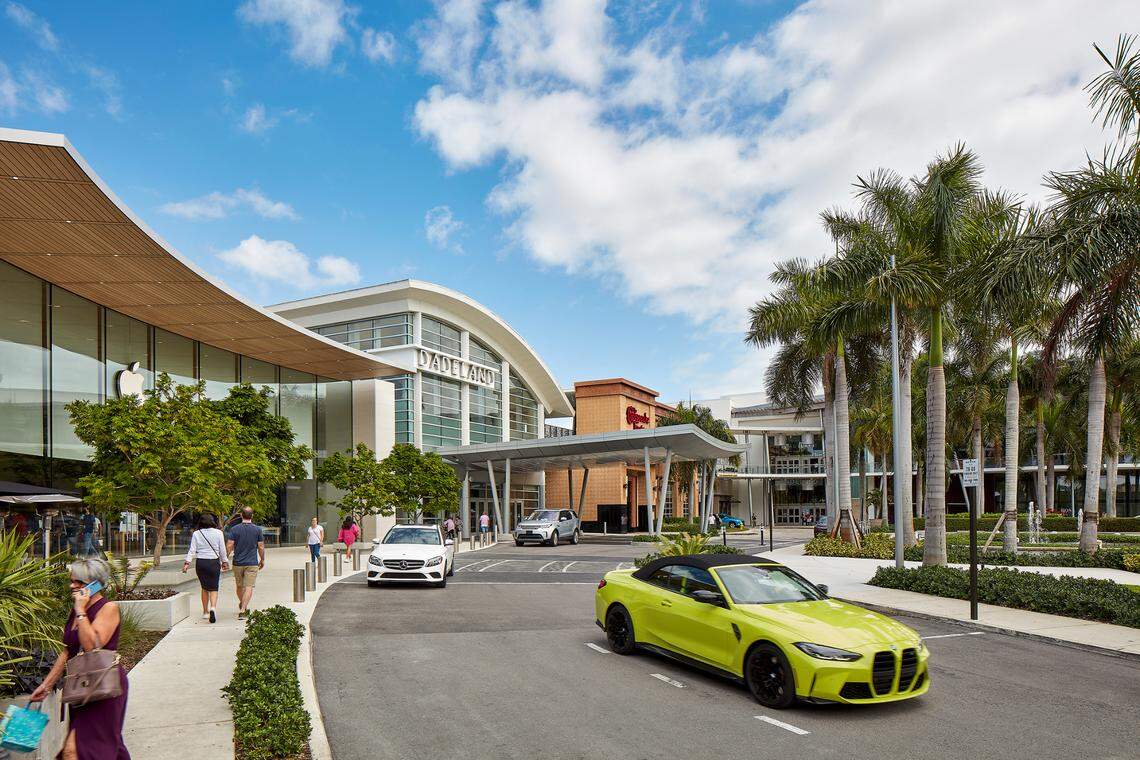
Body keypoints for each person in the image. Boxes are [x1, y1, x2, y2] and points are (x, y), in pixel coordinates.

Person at [30, 557, 131, 760]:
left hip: (104, 687)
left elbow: (92, 646)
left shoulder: (108, 608)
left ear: (96, 584)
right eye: (72, 581)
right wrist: (47, 685)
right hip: (82, 687)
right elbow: (68, 651)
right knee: (105, 745)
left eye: (79, 582)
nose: (72, 586)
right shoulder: (77, 610)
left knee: (76, 750)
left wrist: (80, 611)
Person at [181, 514, 229, 624]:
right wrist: (224, 561)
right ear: (212, 522)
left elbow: (192, 550)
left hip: (201, 563)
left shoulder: (196, 534)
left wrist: (187, 563)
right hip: (213, 562)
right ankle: (213, 607)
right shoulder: (218, 533)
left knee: (204, 588)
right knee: (214, 587)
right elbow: (222, 549)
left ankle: (205, 612)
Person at [225, 507, 264, 620]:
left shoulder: (234, 529)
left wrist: (225, 559)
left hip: (237, 562)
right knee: (248, 586)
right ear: (252, 516)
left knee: (239, 586)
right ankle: (243, 609)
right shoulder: (257, 530)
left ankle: (243, 605)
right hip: (252, 562)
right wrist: (262, 559)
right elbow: (261, 546)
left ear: (241, 515)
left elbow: (229, 545)